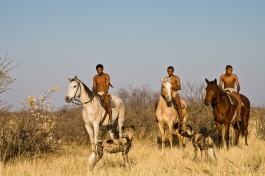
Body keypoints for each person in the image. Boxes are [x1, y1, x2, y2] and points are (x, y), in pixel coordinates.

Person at [92, 64, 113, 130]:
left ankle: (110, 119)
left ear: (102, 69)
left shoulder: (106, 76)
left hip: (105, 92)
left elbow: (107, 86)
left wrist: (104, 94)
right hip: (98, 93)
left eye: (100, 70)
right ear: (96, 70)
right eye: (98, 70)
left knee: (107, 103)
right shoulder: (95, 77)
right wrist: (93, 90)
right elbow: (94, 86)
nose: (99, 71)